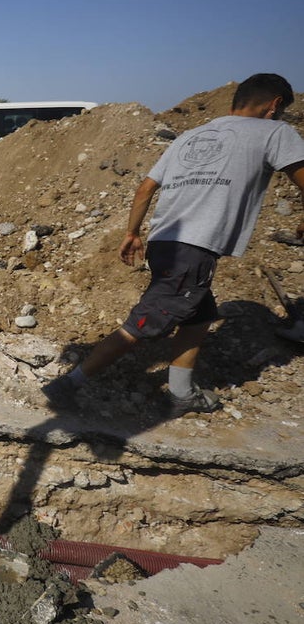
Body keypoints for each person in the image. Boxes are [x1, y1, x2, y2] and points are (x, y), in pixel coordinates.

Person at [43, 73, 304, 418]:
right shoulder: (275, 132)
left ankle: (181, 394)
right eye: (281, 110)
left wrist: (132, 233)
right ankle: (67, 384)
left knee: (199, 318)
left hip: (164, 242)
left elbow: (145, 188)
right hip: (193, 250)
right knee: (143, 323)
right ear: (275, 105)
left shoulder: (190, 137)